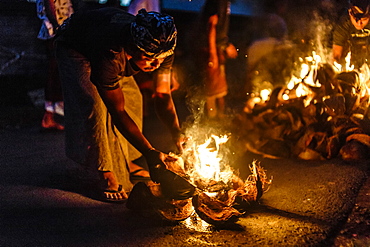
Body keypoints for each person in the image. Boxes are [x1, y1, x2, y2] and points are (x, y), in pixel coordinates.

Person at [55, 7, 184, 202]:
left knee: (133, 98)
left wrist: (176, 131)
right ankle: (103, 171)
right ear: (133, 49)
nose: (156, 64)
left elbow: (162, 95)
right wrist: (150, 152)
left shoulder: (162, 47)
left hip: (103, 40)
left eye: (160, 59)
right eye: (149, 59)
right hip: (76, 46)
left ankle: (127, 159)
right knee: (94, 106)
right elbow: (117, 111)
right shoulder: (110, 54)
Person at [36, 0, 74, 130]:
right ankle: (49, 115)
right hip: (55, 30)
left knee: (57, 72)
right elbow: (49, 3)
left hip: (59, 28)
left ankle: (51, 115)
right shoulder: (56, 26)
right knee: (56, 71)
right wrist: (57, 26)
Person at [196, 0, 238, 119]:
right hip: (210, 49)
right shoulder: (218, 2)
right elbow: (211, 25)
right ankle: (212, 118)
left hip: (216, 48)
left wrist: (224, 45)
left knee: (219, 87)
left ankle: (219, 116)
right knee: (212, 88)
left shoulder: (224, 2)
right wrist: (212, 54)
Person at [332, 0, 370, 70]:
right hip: (350, 60)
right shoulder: (343, 23)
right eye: (355, 19)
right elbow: (336, 56)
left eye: (364, 19)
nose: (359, 23)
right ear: (350, 13)